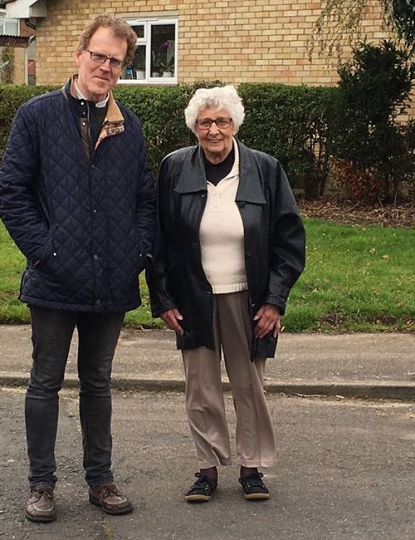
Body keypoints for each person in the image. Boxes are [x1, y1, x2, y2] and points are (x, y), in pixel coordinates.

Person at [0, 14, 156, 523]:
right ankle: (41, 484)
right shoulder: (36, 116)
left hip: (110, 280)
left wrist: (136, 254)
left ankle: (101, 480)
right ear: (79, 54)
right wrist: (44, 252)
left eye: (116, 61)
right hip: (53, 279)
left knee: (98, 383)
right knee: (44, 383)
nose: (105, 67)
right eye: (99, 56)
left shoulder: (128, 128)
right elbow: (11, 193)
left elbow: (145, 202)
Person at [146, 85, 305, 503]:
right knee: (200, 388)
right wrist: (162, 299)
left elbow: (289, 241)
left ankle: (251, 469)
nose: (213, 130)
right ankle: (207, 470)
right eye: (205, 122)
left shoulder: (265, 169)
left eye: (221, 121)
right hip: (193, 296)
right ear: (194, 128)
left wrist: (274, 300)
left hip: (248, 298)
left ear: (234, 124)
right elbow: (158, 237)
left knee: (248, 384)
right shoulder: (174, 168)